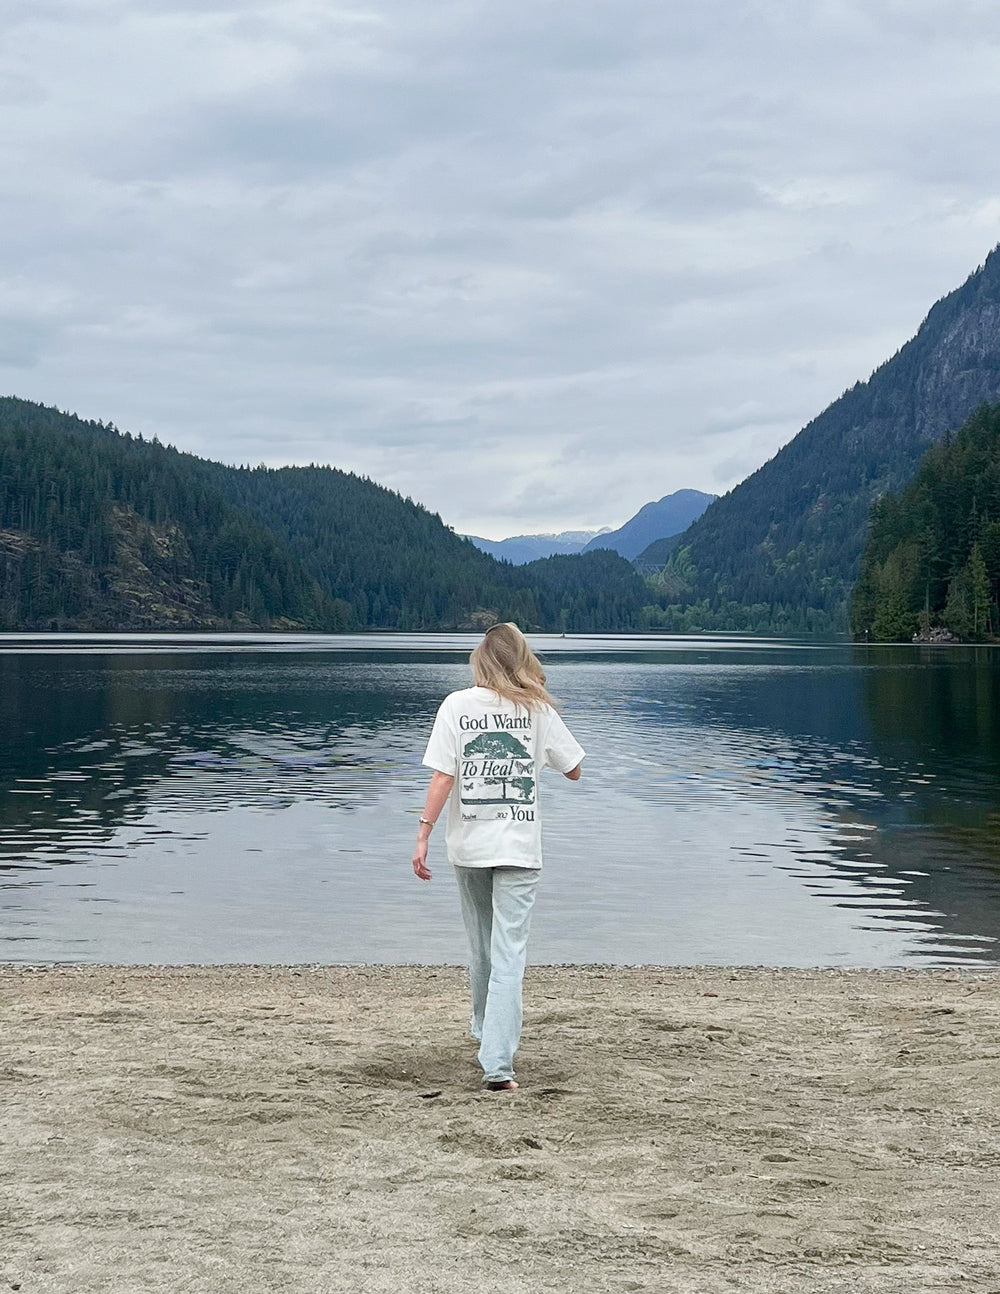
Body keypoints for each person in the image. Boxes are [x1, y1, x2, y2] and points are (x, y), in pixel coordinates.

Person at [412, 622, 584, 1091]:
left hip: (470, 847)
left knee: (482, 948)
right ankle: (497, 1064)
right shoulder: (536, 709)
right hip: (519, 849)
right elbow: (574, 769)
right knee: (508, 955)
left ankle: (486, 1035)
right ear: (522, 660)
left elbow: (443, 777)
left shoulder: (456, 705)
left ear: (481, 661)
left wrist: (423, 834)